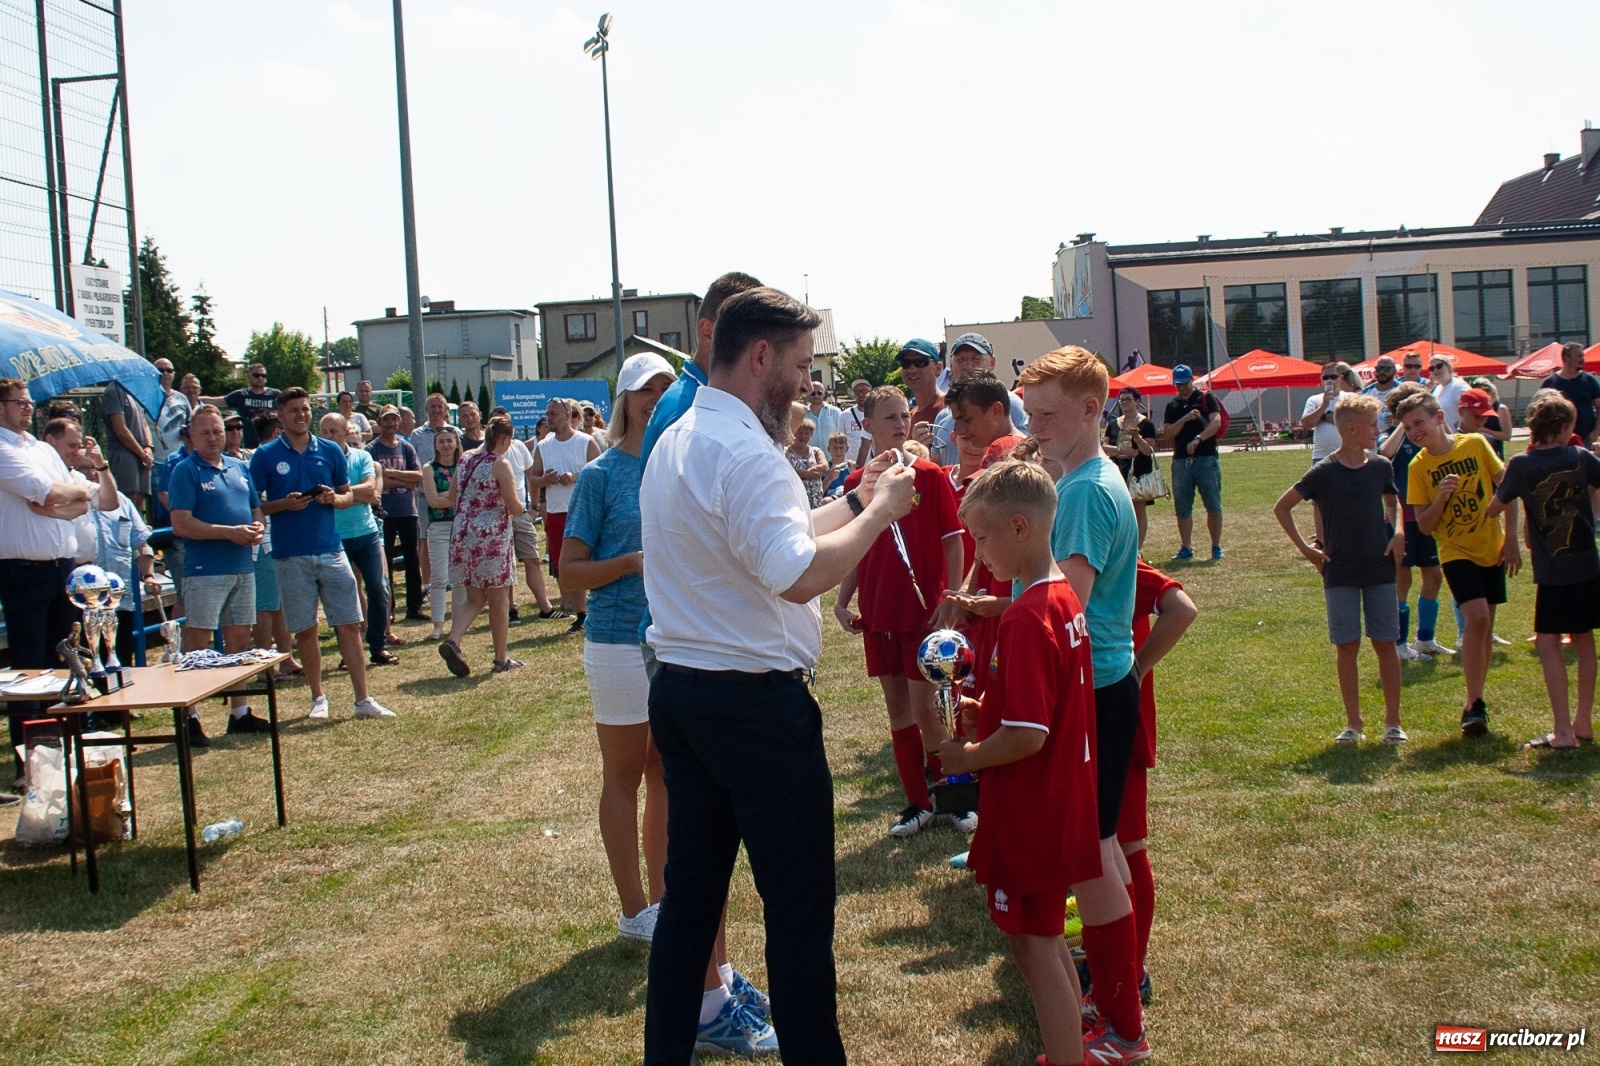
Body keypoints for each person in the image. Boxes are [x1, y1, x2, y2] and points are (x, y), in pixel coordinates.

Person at [640, 286, 918, 1065]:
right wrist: (881, 511)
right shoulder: (743, 450)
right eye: (798, 365)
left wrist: (856, 498)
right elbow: (797, 572)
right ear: (760, 357)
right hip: (755, 712)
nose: (805, 383)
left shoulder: (684, 436)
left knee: (690, 904)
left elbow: (769, 543)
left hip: (687, 694)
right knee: (797, 914)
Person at [934, 459, 1100, 1066]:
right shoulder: (1059, 601)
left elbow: (1030, 737)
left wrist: (969, 753)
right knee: (1047, 937)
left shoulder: (1028, 618)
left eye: (981, 537)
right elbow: (1040, 711)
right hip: (1061, 799)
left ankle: (1065, 1057)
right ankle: (1068, 1050)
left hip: (1034, 807)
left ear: (1021, 528)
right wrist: (991, 709)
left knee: (1034, 949)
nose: (977, 553)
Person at [1020, 346, 1150, 1061]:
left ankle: (1124, 1029)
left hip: (1090, 689)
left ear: (1092, 409)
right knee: (1102, 851)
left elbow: (1059, 599)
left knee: (1092, 855)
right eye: (1030, 413)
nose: (1034, 427)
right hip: (1102, 683)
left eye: (1046, 414)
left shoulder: (1081, 492)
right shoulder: (1085, 480)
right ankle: (1113, 1002)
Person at [561, 352, 676, 943]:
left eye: (665, 388)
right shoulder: (599, 475)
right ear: (624, 401)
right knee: (624, 773)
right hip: (616, 640)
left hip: (675, 640)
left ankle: (663, 900)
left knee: (664, 774)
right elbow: (569, 573)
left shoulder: (678, 465)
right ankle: (634, 910)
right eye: (644, 390)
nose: (655, 399)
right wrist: (630, 564)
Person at [835, 386, 965, 838]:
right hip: (878, 613)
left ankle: (955, 793)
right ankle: (917, 801)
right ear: (866, 424)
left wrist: (952, 594)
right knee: (898, 710)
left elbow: (953, 539)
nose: (899, 424)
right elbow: (854, 547)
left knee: (929, 707)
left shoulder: (929, 476)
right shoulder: (855, 486)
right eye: (888, 417)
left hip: (923, 612)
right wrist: (841, 598)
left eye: (903, 416)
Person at [250, 387, 395, 721]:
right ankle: (318, 697)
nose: (301, 415)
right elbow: (255, 504)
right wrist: (283, 505)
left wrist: (335, 499)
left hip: (331, 549)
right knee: (306, 629)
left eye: (305, 409)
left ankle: (363, 698)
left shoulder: (329, 450)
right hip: (289, 554)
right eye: (294, 410)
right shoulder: (266, 455)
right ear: (281, 416)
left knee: (349, 623)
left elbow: (347, 495)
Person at [1273, 395, 1407, 745]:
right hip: (1340, 571)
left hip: (1379, 568)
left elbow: (1394, 502)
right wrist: (1308, 550)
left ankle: (1393, 722)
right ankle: (1354, 723)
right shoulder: (1324, 472)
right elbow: (1282, 507)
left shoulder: (1380, 467)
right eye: (1374, 425)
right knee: (1346, 646)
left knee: (1385, 643)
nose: (1379, 431)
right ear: (1352, 429)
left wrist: (1398, 533)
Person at [0, 381, 110, 799]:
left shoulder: (42, 450)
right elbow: (44, 493)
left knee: (64, 662)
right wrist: (59, 497)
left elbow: (86, 499)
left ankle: (61, 750)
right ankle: (28, 760)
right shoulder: (3, 448)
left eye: (30, 402)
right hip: (21, 570)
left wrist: (64, 496)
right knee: (28, 669)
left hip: (61, 568)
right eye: (18, 403)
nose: (28, 408)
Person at [1398, 389, 1516, 736]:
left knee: (1485, 627)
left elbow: (1506, 488)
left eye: (1418, 422)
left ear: (1439, 418)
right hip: (1454, 551)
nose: (1413, 431)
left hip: (1490, 546)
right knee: (1476, 619)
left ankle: (1473, 701)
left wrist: (1511, 539)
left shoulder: (1476, 445)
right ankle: (1476, 704)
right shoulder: (1418, 467)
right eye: (1406, 428)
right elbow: (1424, 524)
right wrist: (1440, 497)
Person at [1488, 392, 1600, 749]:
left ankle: (1562, 730)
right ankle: (1583, 722)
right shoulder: (1581, 456)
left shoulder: (1522, 464)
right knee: (1584, 639)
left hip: (1552, 572)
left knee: (1548, 643)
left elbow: (1493, 509)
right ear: (1567, 427)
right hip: (1586, 565)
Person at [168, 404, 270, 740]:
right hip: (205, 569)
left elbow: (256, 508)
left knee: (240, 638)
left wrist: (256, 526)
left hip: (242, 565)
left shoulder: (239, 467)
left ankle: (239, 711)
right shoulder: (186, 470)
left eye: (217, 431)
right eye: (205, 432)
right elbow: (181, 523)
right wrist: (228, 532)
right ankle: (190, 716)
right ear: (192, 436)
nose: (213, 438)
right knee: (198, 641)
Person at [1121, 560, 1198, 1001]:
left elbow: (1181, 608)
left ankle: (1133, 970)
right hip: (1080, 723)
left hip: (1118, 725)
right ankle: (1105, 957)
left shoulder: (1104, 544)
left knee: (1126, 848)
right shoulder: (1061, 544)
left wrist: (1135, 670)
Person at [438, 415, 525, 675]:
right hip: (490, 537)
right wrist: (522, 508)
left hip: (463, 535)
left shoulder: (465, 459)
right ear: (505, 439)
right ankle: (500, 658)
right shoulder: (499, 464)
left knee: (474, 598)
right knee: (499, 599)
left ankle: (453, 640)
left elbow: (453, 496)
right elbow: (512, 505)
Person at [1379, 384, 1453, 663]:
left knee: (1434, 575)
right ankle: (1399, 642)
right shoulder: (1397, 436)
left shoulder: (1428, 434)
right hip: (1400, 518)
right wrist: (1401, 426)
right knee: (1403, 580)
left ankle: (1425, 638)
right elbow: (1384, 454)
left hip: (1428, 515)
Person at [325, 413, 396, 667]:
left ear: (345, 432)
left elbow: (371, 490)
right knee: (342, 595)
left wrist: (335, 495)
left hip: (366, 534)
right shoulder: (318, 461)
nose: (328, 436)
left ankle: (378, 646)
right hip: (334, 537)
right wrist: (357, 494)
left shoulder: (362, 457)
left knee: (378, 589)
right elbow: (362, 492)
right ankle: (348, 652)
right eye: (324, 431)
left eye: (334, 431)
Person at [530, 397, 600, 633]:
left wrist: (576, 477)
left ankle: (600, 606)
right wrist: (545, 480)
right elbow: (533, 478)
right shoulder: (544, 446)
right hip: (557, 511)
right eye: (548, 414)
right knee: (565, 565)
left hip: (585, 509)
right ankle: (583, 613)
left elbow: (601, 476)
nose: (549, 418)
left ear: (569, 415)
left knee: (595, 559)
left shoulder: (586, 442)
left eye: (554, 414)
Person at [488, 406, 562, 624]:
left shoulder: (519, 447)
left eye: (506, 424)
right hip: (496, 516)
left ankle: (545, 607)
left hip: (520, 513)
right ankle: (510, 610)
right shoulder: (485, 454)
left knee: (532, 559)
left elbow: (531, 477)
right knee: (505, 564)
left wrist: (535, 506)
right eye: (498, 424)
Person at [248, 413, 300, 676]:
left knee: (280, 605)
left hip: (279, 543)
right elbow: (256, 505)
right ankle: (264, 667)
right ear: (277, 432)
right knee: (266, 606)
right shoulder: (262, 459)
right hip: (263, 545)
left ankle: (286, 658)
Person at [929, 333, 1029, 466]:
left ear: (992, 362)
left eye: (975, 359)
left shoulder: (1011, 404)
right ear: (951, 365)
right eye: (960, 360)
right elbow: (937, 465)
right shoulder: (943, 414)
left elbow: (1023, 454)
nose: (967, 366)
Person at [1160, 364, 1225, 561]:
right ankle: (1186, 547)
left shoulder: (1206, 398)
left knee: (1213, 504)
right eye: (1177, 385)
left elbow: (1216, 422)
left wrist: (1199, 438)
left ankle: (1215, 546)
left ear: (1191, 380)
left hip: (1206, 459)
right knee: (1182, 508)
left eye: (1183, 384)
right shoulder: (1172, 406)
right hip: (1181, 461)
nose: (1180, 388)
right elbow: (1168, 433)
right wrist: (1185, 419)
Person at [368, 406, 426, 622]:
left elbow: (418, 476)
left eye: (394, 419)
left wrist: (389, 474)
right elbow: (374, 481)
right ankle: (388, 609)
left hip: (407, 510)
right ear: (379, 422)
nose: (391, 423)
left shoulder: (406, 447)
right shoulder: (371, 449)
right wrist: (402, 480)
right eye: (386, 419)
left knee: (412, 559)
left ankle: (414, 606)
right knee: (386, 562)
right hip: (383, 512)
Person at [419, 424, 464, 640]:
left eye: (449, 440)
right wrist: (454, 498)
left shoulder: (464, 465)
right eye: (441, 441)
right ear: (436, 445)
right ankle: (437, 625)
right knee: (439, 577)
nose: (446, 445)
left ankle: (459, 623)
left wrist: (447, 496)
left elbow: (469, 499)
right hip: (439, 527)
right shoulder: (429, 468)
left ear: (456, 443)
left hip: (463, 526)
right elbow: (433, 501)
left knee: (461, 577)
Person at [1104, 387, 1157, 545]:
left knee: (1139, 511)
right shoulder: (1113, 424)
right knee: (1118, 512)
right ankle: (1121, 546)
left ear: (1137, 402)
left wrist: (1137, 437)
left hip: (1139, 473)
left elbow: (1148, 450)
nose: (1124, 402)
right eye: (1122, 400)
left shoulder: (1146, 424)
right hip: (1117, 474)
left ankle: (1138, 550)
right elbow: (1104, 448)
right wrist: (1123, 450)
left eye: (1128, 399)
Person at [410, 393, 452, 593]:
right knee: (425, 540)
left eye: (439, 407)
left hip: (453, 495)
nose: (436, 410)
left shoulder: (455, 433)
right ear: (426, 409)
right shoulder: (417, 435)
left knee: (455, 538)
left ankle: (452, 578)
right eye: (432, 406)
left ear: (445, 410)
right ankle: (427, 584)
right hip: (426, 496)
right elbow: (414, 465)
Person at [100, 378, 153, 510]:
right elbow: (120, 430)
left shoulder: (133, 392)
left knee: (141, 497)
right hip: (123, 453)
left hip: (142, 454)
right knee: (128, 499)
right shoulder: (113, 391)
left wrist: (148, 447)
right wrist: (142, 453)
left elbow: (144, 423)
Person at [1539, 342, 1600, 445]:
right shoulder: (1550, 382)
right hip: (1557, 441)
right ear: (1566, 358)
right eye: (1578, 356)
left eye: (1583, 356)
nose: (1582, 359)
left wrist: (1595, 432)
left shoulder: (1589, 381)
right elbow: (1541, 411)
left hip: (1585, 439)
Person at [897, 337, 945, 453]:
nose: (912, 369)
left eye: (920, 362)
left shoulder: (949, 408)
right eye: (906, 363)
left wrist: (920, 450)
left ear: (938, 368)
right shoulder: (908, 417)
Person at [216, 364, 280, 448]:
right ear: (249, 376)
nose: (260, 378)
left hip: (272, 445)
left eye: (263, 375)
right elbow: (216, 401)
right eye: (256, 375)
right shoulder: (241, 395)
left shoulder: (275, 394)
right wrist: (194, 395)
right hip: (248, 447)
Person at [150, 358, 191, 466]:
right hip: (155, 462)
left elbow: (191, 423)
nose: (165, 373)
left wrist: (186, 432)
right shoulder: (146, 399)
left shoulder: (182, 398)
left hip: (179, 460)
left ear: (174, 374)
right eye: (160, 370)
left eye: (169, 370)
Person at [785, 418, 829, 508]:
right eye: (800, 432)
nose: (803, 436)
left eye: (806, 433)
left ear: (811, 435)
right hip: (796, 499)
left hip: (816, 499)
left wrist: (810, 472)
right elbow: (786, 470)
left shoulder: (816, 451)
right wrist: (806, 474)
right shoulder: (787, 451)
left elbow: (824, 466)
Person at [1361, 355, 1401, 439]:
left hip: (1395, 439)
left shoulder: (1402, 391)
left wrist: (1400, 419)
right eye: (1378, 368)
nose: (1382, 372)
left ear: (1394, 371)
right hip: (1372, 439)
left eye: (1386, 369)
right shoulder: (1366, 393)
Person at [1428, 356, 1468, 432]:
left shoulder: (1460, 386)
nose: (1435, 370)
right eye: (1432, 368)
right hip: (1444, 440)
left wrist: (1460, 430)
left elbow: (1470, 411)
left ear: (1449, 368)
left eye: (1439, 366)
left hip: (1460, 438)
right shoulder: (1436, 389)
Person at [841, 377, 873, 466]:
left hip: (872, 462)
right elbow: (840, 440)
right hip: (851, 464)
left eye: (865, 391)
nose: (861, 395)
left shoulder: (877, 414)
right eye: (857, 392)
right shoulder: (845, 415)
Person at [803, 381, 843, 446]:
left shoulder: (836, 412)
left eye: (819, 393)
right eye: (813, 393)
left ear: (824, 393)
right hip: (809, 455)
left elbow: (842, 435)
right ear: (808, 394)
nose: (816, 395)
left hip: (831, 455)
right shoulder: (802, 414)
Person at [821, 431, 853, 499]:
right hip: (830, 502)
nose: (838, 451)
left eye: (841, 448)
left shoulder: (851, 467)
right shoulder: (824, 468)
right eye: (835, 448)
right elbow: (819, 492)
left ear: (847, 449)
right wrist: (829, 478)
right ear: (829, 449)